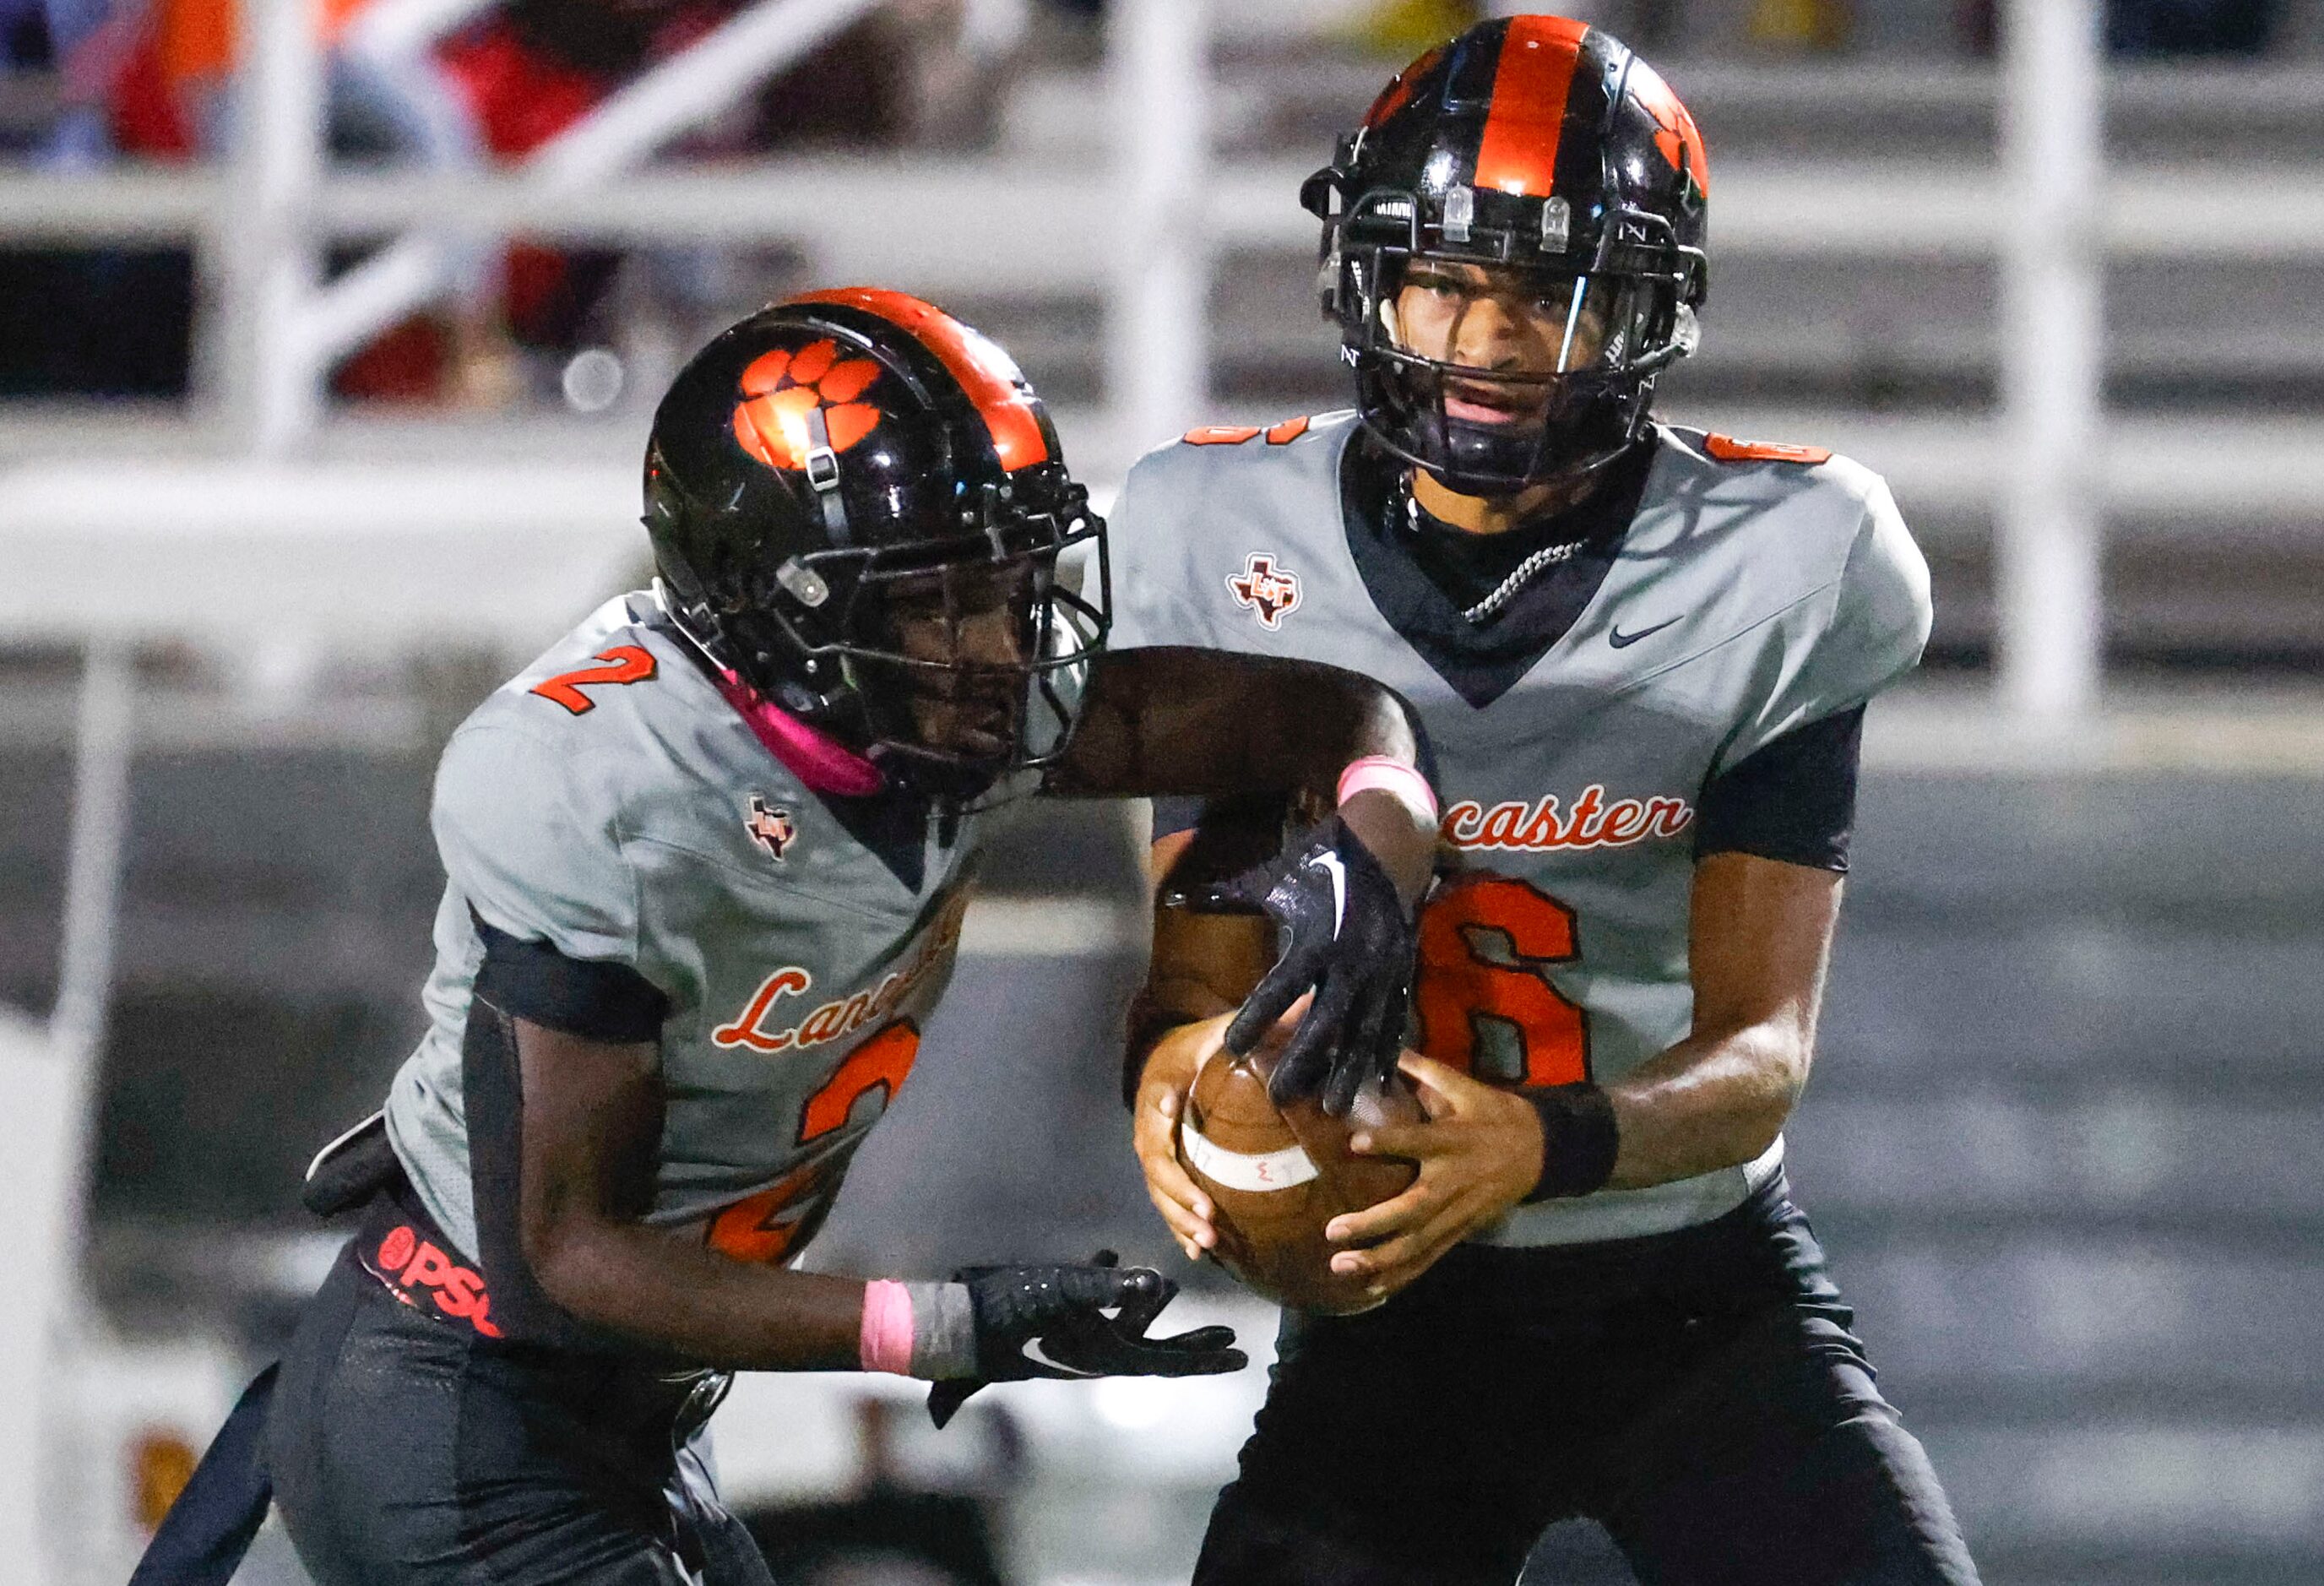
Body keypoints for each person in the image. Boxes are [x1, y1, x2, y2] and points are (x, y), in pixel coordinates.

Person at [131, 287, 1441, 1586]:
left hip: (630, 1412)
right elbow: (564, 1260)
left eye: (1010, 583)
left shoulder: (953, 708)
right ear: (781, 608)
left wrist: (1378, 858)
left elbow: (1331, 712)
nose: (1001, 645)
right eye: (940, 602)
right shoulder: (607, 784)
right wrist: (945, 1323)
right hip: (459, 1395)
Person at [1115, 19, 1983, 1585]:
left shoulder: (1786, 557)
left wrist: (1542, 1142)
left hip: (1693, 1290)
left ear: (1646, 311)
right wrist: (1181, 1090)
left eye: (1549, 291)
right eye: (1446, 278)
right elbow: (1196, 976)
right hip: (1389, 1295)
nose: (1492, 337)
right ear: (1369, 277)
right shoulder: (1218, 534)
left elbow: (1763, 1055)